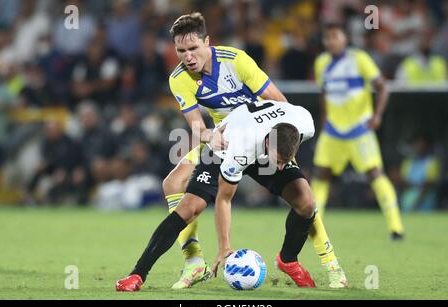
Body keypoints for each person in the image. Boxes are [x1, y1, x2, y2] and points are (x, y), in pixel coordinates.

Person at [158, 12, 345, 289]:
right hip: (225, 140)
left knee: (305, 199)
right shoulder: (180, 78)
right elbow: (196, 125)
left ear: (207, 42)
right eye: (181, 50)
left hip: (260, 137)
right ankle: (194, 261)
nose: (187, 56)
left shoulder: (237, 61)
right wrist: (209, 136)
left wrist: (283, 143)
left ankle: (331, 264)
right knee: (173, 182)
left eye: (192, 48)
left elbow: (279, 101)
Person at [116, 100, 347, 291]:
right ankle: (137, 275)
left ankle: (288, 260)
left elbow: (280, 151)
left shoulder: (304, 122)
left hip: (261, 146)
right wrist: (225, 247)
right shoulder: (238, 145)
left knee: (306, 202)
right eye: (278, 160)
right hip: (224, 148)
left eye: (284, 162)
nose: (279, 167)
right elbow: (224, 199)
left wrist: (280, 161)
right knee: (189, 208)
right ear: (268, 142)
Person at [312, 23, 405, 240]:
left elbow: (383, 87)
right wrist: (325, 121)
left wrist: (377, 115)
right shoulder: (321, 62)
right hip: (333, 130)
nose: (330, 41)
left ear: (345, 39)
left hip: (359, 130)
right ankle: (314, 227)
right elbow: (323, 94)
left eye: (335, 36)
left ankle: (396, 227)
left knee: (374, 173)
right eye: (327, 38)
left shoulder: (359, 58)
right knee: (321, 174)